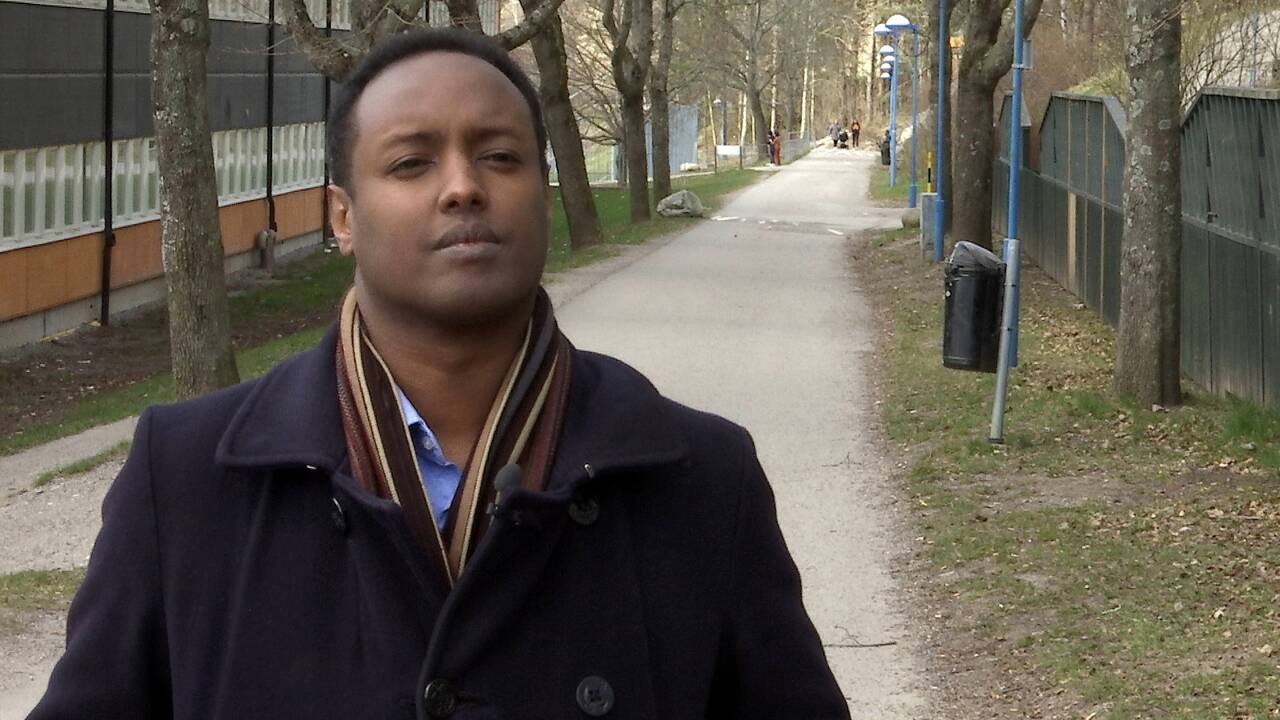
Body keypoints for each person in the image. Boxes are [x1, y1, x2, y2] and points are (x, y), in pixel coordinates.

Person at [31, 28, 849, 720]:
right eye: (411, 164)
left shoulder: (699, 478)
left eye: (499, 156)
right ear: (343, 217)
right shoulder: (185, 478)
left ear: (544, 193)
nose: (463, 188)